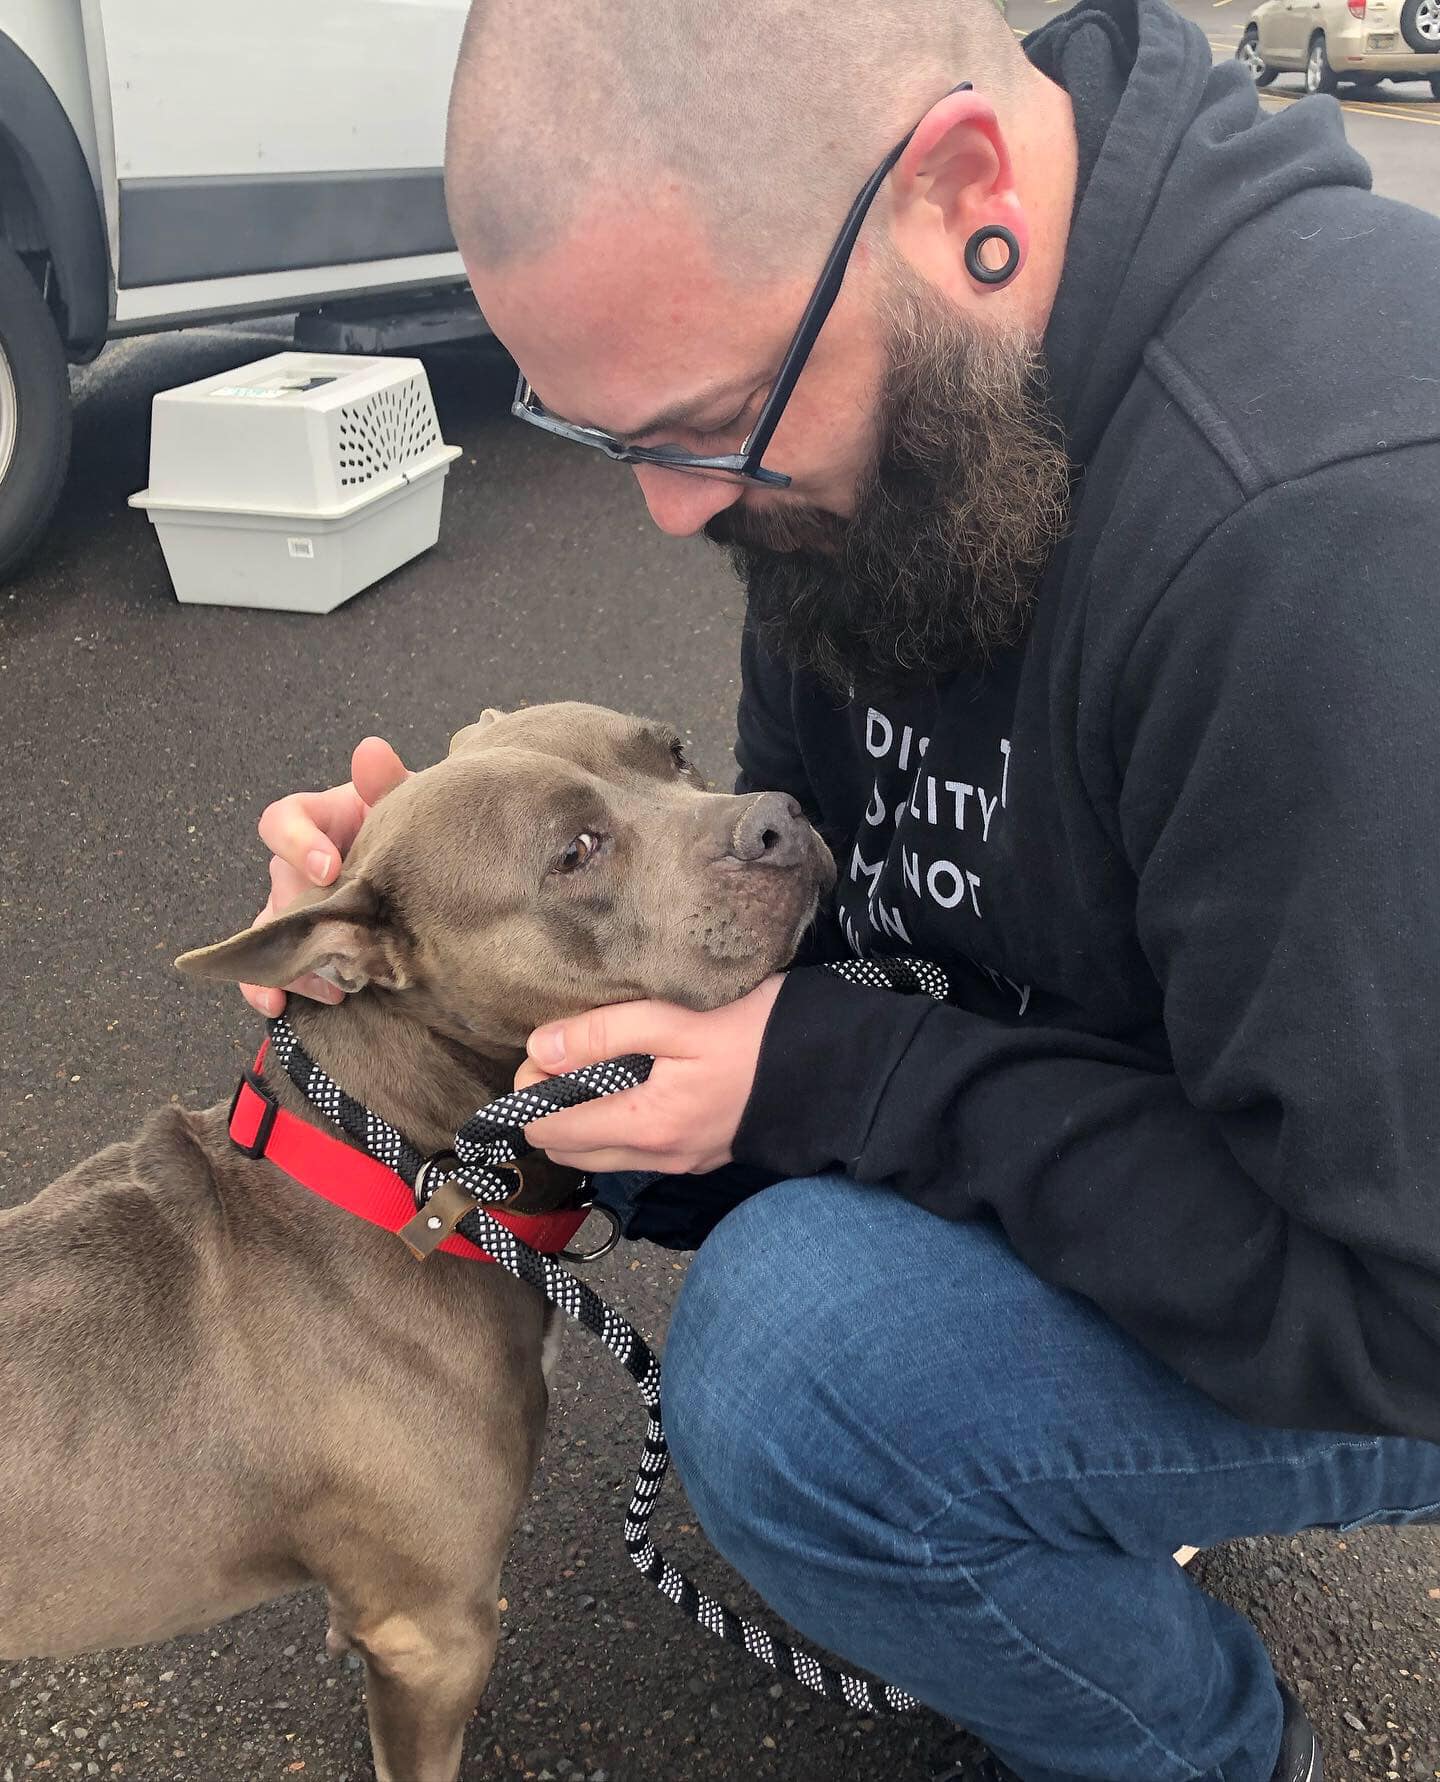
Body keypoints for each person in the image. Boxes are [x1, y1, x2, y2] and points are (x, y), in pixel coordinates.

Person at [245, 0, 1440, 1775]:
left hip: (1397, 1286)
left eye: (707, 423)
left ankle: (1202, 1745)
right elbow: (837, 936)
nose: (669, 512)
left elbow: (1392, 1307)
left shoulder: (1325, 535)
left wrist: (834, 1079)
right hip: (1205, 1117)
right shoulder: (885, 447)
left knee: (805, 1378)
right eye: (610, 438)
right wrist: (458, 968)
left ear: (967, 199)